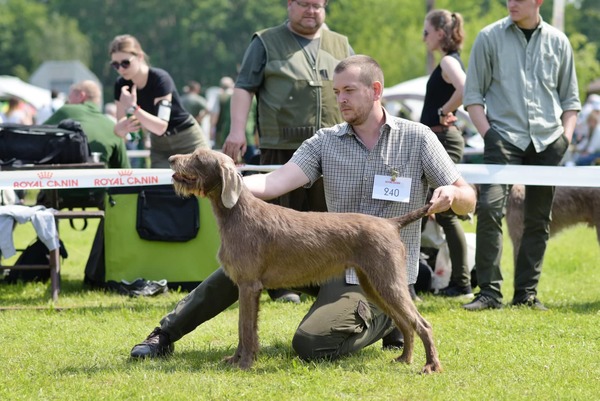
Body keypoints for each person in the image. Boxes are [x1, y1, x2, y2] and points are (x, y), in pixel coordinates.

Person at [129, 55, 476, 361]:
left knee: (312, 344)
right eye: (336, 92)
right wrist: (226, 182)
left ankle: (389, 324)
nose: (340, 99)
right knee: (237, 268)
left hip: (378, 270)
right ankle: (165, 333)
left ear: (375, 89)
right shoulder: (326, 141)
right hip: (322, 259)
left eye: (349, 91)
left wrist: (451, 195)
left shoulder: (417, 138)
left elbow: (468, 197)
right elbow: (274, 182)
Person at [221, 0, 352, 303]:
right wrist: (237, 130)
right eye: (304, 4)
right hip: (281, 147)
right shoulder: (265, 41)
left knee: (326, 221)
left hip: (331, 145)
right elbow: (244, 87)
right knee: (279, 220)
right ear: (289, 5)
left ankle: (325, 282)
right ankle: (283, 285)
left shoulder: (341, 43)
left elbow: (355, 85)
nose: (311, 11)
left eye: (318, 5)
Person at [462, 0, 580, 311]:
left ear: (539, 1)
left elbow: (570, 99)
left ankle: (526, 294)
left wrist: (564, 138)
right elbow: (473, 96)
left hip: (547, 141)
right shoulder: (488, 37)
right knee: (488, 209)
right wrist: (489, 135)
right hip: (502, 138)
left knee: (538, 219)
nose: (511, 3)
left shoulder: (559, 41)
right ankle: (488, 292)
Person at [420, 9, 471, 298]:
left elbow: (465, 88)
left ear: (440, 33)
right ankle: (456, 279)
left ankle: (461, 282)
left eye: (426, 32)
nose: (424, 38)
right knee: (444, 212)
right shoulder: (448, 60)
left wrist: (444, 110)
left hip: (443, 139)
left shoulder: (449, 61)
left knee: (448, 212)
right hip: (440, 138)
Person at [109, 34, 209, 168]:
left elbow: (161, 126)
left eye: (125, 63)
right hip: (160, 146)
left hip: (187, 139)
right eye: (115, 64)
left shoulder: (160, 78)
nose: (120, 69)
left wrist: (133, 108)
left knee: (202, 185)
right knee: (157, 188)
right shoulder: (120, 84)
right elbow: (120, 130)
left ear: (140, 57)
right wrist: (120, 129)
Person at [43, 80, 130, 169]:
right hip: (100, 180)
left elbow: (37, 135)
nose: (68, 101)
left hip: (67, 179)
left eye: (70, 97)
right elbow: (124, 169)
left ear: (81, 96)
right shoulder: (114, 127)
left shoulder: (66, 110)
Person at [211, 76, 258, 163]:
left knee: (227, 164)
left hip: (229, 134)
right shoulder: (255, 99)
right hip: (247, 136)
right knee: (251, 165)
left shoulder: (229, 97)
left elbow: (223, 118)